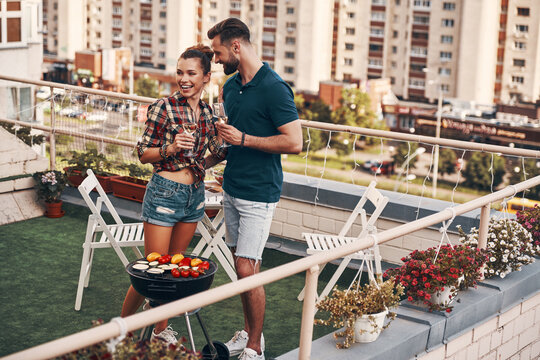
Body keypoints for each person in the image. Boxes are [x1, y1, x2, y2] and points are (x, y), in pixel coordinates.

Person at [207, 18, 303, 360]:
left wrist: (244, 139)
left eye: (218, 52)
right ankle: (249, 333)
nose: (216, 60)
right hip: (231, 187)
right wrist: (214, 155)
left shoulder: (275, 87)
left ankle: (254, 348)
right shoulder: (230, 88)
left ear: (236, 46)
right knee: (242, 267)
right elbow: (231, 140)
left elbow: (294, 142)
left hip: (260, 193)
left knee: (247, 268)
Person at [120, 44, 226, 345]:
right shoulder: (163, 107)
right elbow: (142, 153)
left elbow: (211, 156)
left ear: (206, 76)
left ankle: (158, 329)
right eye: (180, 72)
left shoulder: (207, 113)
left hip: (194, 195)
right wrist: (171, 148)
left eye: (191, 73)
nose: (184, 78)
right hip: (165, 193)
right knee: (152, 269)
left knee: (175, 265)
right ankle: (122, 331)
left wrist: (225, 138)